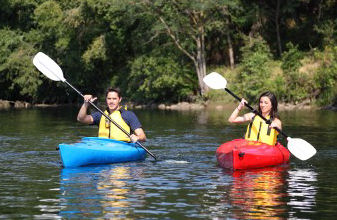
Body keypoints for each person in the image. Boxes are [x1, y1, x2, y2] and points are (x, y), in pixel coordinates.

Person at [77, 88, 146, 143]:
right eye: (109, 99)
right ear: (106, 99)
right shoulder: (101, 114)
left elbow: (143, 136)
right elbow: (81, 119)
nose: (111, 101)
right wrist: (86, 104)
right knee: (79, 142)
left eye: (114, 99)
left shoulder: (128, 115)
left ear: (120, 99)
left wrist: (137, 137)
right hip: (103, 146)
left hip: (122, 146)